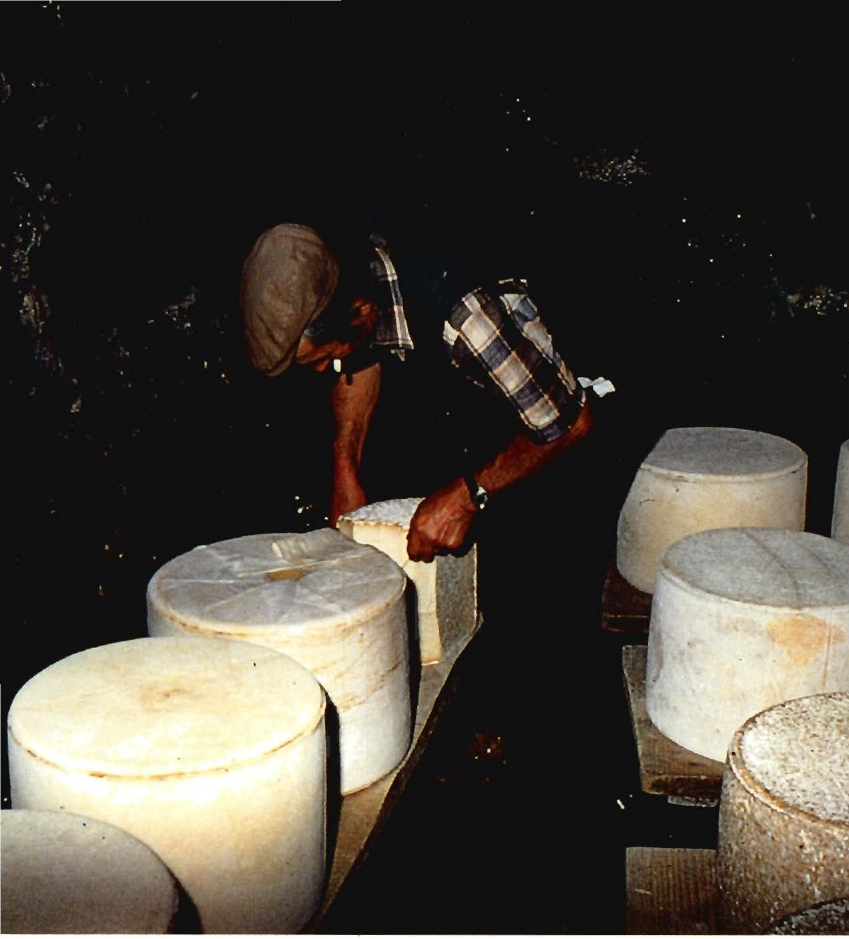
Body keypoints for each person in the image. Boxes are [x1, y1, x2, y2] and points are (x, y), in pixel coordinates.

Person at [239, 221, 595, 564]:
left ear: (361, 311)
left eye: (329, 356)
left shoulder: (467, 319)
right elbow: (361, 354)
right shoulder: (349, 265)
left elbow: (569, 423)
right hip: (489, 384)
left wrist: (467, 496)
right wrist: (346, 463)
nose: (325, 370)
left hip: (573, 404)